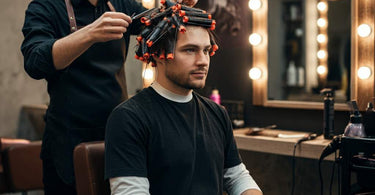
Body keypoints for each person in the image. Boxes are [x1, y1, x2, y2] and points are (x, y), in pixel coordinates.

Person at [21, 0, 192, 194]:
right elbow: (35, 61)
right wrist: (90, 33)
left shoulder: (120, 4)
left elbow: (161, 24)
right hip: (67, 141)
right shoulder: (46, 6)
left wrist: (178, 9)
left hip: (118, 136)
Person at [104, 3, 262, 195]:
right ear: (159, 55)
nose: (203, 61)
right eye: (190, 50)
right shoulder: (129, 118)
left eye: (206, 50)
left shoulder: (217, 113)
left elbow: (237, 177)